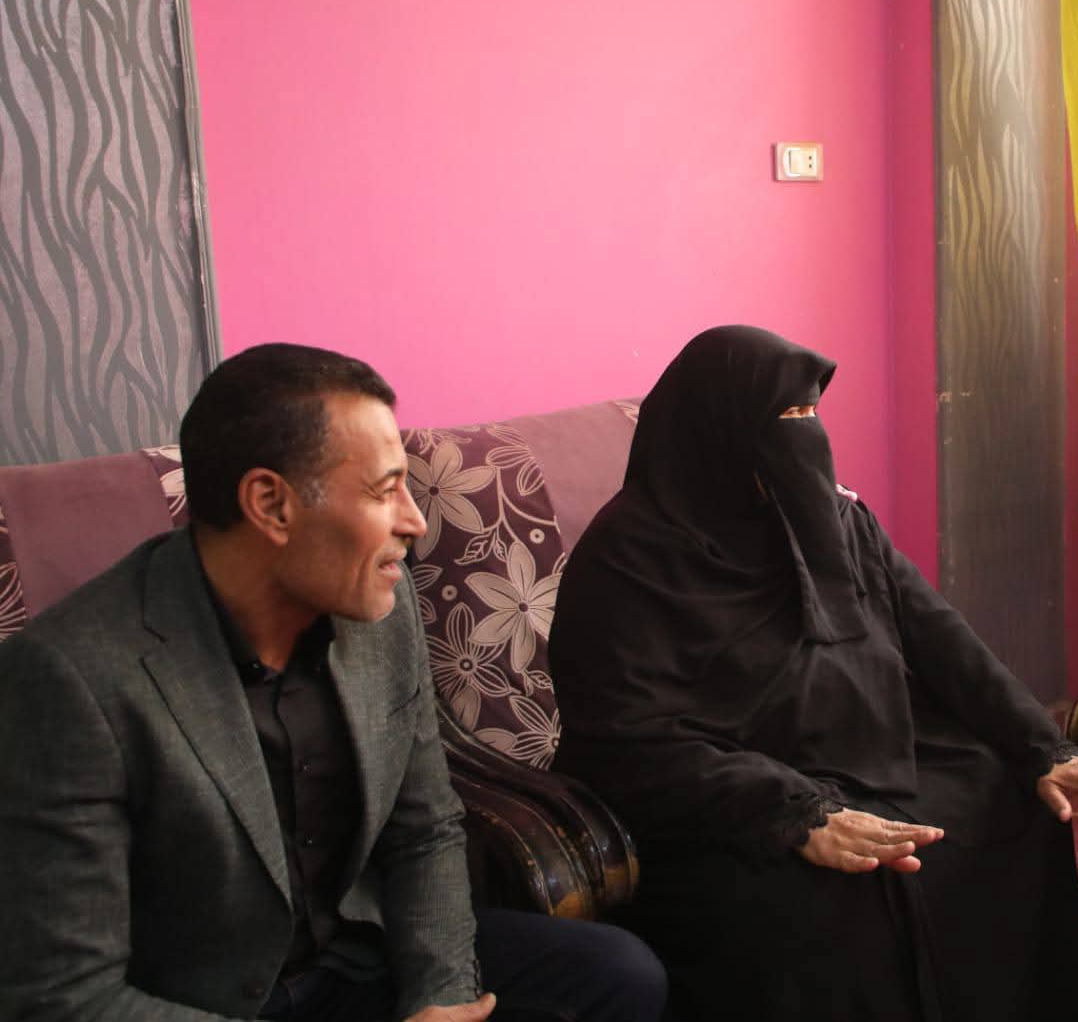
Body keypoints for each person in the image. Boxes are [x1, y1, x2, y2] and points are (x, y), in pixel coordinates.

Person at [0, 344, 667, 1022]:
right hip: (208, 1001)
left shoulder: (380, 604)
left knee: (616, 976)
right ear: (271, 504)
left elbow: (425, 829)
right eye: (383, 490)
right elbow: (64, 995)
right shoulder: (69, 677)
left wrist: (440, 999)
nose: (414, 522)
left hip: (358, 955)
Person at [548, 325, 1078, 1022]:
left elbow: (937, 633)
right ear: (716, 430)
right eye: (786, 417)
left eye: (812, 413)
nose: (806, 437)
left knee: (1018, 799)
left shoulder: (830, 513)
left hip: (866, 747)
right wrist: (791, 809)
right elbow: (629, 734)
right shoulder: (627, 558)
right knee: (840, 890)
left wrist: (1042, 746)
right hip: (721, 790)